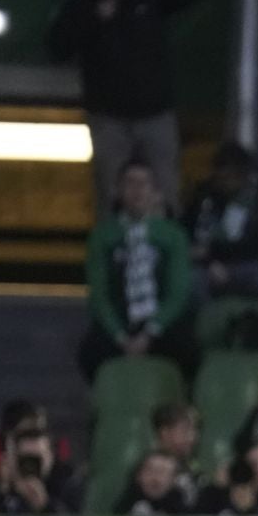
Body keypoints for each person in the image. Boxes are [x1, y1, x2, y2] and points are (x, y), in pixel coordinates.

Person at [48, 0, 210, 215]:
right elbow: (57, 48)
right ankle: (113, 242)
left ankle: (164, 240)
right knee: (110, 190)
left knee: (165, 188)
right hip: (109, 117)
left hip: (155, 113)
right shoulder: (83, 4)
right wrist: (92, 20)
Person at [79, 160, 197, 382]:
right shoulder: (103, 236)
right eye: (130, 183)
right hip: (120, 321)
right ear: (118, 190)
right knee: (90, 352)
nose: (137, 190)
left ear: (155, 191)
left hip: (161, 323)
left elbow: (178, 292)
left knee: (188, 350)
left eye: (144, 184)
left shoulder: (173, 236)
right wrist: (120, 336)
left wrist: (151, 331)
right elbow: (99, 293)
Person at [182, 142, 258, 309]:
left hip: (249, 264)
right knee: (191, 282)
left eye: (232, 176)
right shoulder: (204, 195)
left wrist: (219, 255)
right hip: (209, 266)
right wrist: (209, 261)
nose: (226, 183)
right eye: (222, 177)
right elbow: (189, 235)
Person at [0, 421, 78, 516]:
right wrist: (4, 491)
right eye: (26, 458)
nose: (31, 465)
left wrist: (45, 505)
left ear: (51, 456)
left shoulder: (67, 485)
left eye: (37, 459)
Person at [113, 450, 192, 516]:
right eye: (150, 471)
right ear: (138, 476)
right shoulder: (124, 507)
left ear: (174, 480)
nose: (155, 479)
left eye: (163, 473)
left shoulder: (183, 513)